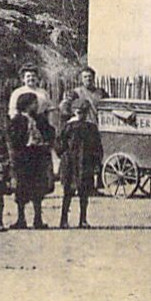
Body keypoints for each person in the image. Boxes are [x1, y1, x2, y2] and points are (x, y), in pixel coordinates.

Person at [8, 92, 55, 229]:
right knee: (22, 188)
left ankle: (37, 218)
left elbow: (50, 132)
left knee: (38, 188)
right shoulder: (17, 121)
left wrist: (46, 141)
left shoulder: (40, 119)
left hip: (38, 156)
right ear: (26, 105)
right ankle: (21, 218)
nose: (37, 105)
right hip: (23, 157)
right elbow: (13, 139)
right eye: (34, 103)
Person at [56, 98, 101, 228]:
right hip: (70, 163)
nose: (81, 115)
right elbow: (59, 145)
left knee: (84, 193)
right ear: (73, 112)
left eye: (83, 112)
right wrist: (64, 156)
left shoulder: (91, 128)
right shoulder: (68, 127)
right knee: (68, 193)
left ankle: (83, 219)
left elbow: (97, 147)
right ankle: (63, 220)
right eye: (78, 112)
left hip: (85, 164)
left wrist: (96, 162)